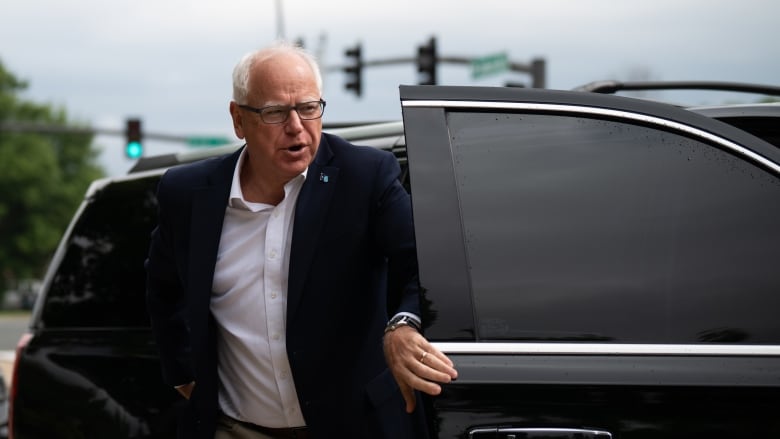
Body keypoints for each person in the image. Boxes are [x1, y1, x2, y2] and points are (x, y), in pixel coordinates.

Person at [145, 40, 458, 439]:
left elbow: (426, 264)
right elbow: (163, 288)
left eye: (309, 108)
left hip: (354, 426)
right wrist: (184, 373)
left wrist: (403, 325)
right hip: (235, 428)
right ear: (238, 119)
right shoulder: (188, 195)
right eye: (275, 112)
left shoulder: (364, 177)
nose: (297, 127)